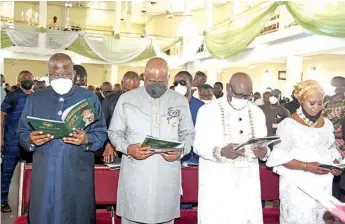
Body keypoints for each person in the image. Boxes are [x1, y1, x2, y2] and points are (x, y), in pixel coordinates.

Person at [17, 53, 107, 224]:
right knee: (44, 214)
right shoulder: (36, 99)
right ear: (49, 75)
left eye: (65, 73)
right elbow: (21, 131)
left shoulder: (89, 99)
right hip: (45, 174)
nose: (60, 77)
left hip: (77, 173)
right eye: (55, 73)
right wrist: (30, 139)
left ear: (73, 75)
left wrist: (87, 138)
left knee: (77, 215)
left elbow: (101, 132)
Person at [108, 58, 195, 224]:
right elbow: (114, 132)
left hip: (166, 177)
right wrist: (128, 149)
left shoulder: (180, 101)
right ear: (144, 77)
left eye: (161, 81)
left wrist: (181, 151)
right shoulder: (127, 99)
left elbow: (189, 134)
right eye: (151, 81)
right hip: (136, 177)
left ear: (169, 78)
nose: (156, 84)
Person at [194, 72, 269, 224]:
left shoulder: (257, 112)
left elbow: (264, 144)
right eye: (239, 95)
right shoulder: (207, 111)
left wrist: (264, 153)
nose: (243, 100)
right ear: (228, 88)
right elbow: (197, 146)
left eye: (248, 96)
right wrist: (221, 151)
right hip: (218, 182)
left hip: (248, 182)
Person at [266, 80, 343, 224]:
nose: (316, 108)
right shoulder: (288, 124)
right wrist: (306, 166)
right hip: (298, 185)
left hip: (323, 183)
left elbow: (331, 149)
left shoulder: (327, 124)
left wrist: (335, 164)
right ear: (302, 101)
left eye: (320, 103)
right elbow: (278, 157)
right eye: (311, 103)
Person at [1, 70, 34, 212]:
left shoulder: (35, 97)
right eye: (24, 78)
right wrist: (0, 138)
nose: (27, 80)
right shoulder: (12, 96)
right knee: (7, 172)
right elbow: (1, 116)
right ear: (19, 81)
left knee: (29, 173)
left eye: (29, 78)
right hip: (12, 141)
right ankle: (3, 201)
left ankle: (28, 202)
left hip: (29, 142)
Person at [102, 71, 140, 163]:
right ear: (122, 84)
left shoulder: (143, 101)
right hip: (115, 150)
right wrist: (108, 143)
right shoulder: (110, 100)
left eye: (133, 91)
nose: (129, 94)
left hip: (136, 149)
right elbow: (101, 125)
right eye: (127, 90)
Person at [323, 76, 345, 200]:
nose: (334, 89)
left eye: (337, 86)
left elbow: (343, 133)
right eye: (333, 86)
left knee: (338, 183)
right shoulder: (326, 104)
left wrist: (326, 133)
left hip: (341, 148)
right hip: (327, 147)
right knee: (329, 183)